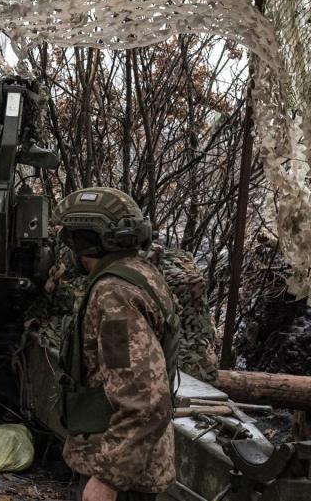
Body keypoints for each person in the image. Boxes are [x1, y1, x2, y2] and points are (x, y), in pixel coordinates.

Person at [53, 187, 180, 501]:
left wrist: (107, 480)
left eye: (70, 238)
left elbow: (145, 401)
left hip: (121, 473)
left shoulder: (114, 294)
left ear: (85, 241)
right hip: (125, 460)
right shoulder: (139, 272)